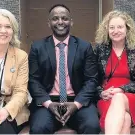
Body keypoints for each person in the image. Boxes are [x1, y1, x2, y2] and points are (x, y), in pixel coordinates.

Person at [28, 4, 100, 134]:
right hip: (49, 102)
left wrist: (76, 104)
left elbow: (92, 80)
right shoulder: (37, 47)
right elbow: (33, 81)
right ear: (49, 23)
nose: (60, 22)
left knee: (92, 126)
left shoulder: (84, 47)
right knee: (39, 128)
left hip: (78, 101)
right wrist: (49, 104)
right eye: (55, 18)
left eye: (64, 18)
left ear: (71, 22)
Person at [94, 10, 135, 134]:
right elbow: (91, 78)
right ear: (107, 30)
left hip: (131, 97)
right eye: (112, 27)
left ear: (127, 29)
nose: (115, 31)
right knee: (125, 118)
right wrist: (101, 93)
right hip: (106, 97)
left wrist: (122, 89)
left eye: (120, 27)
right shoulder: (99, 49)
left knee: (119, 97)